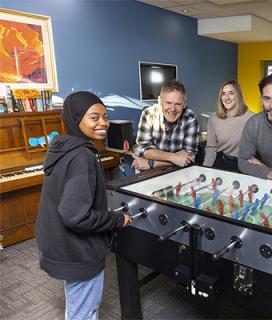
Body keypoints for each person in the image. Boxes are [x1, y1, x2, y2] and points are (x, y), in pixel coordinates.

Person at [35, 91, 132, 320]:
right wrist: (116, 220)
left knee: (76, 304)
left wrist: (100, 211)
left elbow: (72, 201)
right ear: (76, 119)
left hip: (61, 245)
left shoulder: (64, 146)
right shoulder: (82, 157)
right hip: (77, 251)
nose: (103, 123)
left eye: (105, 117)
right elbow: (75, 216)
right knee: (84, 312)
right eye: (94, 117)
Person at [132, 80, 199, 170]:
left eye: (178, 104)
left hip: (179, 172)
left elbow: (188, 158)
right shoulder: (148, 114)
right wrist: (174, 157)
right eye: (168, 103)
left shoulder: (191, 118)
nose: (172, 109)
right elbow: (142, 149)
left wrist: (152, 163)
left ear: (184, 104)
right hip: (151, 173)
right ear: (160, 101)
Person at [203, 80, 254, 171]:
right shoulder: (213, 118)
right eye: (223, 94)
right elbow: (211, 148)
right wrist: (205, 170)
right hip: (220, 164)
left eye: (231, 93)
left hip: (243, 166)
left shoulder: (252, 118)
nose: (226, 97)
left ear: (238, 95)